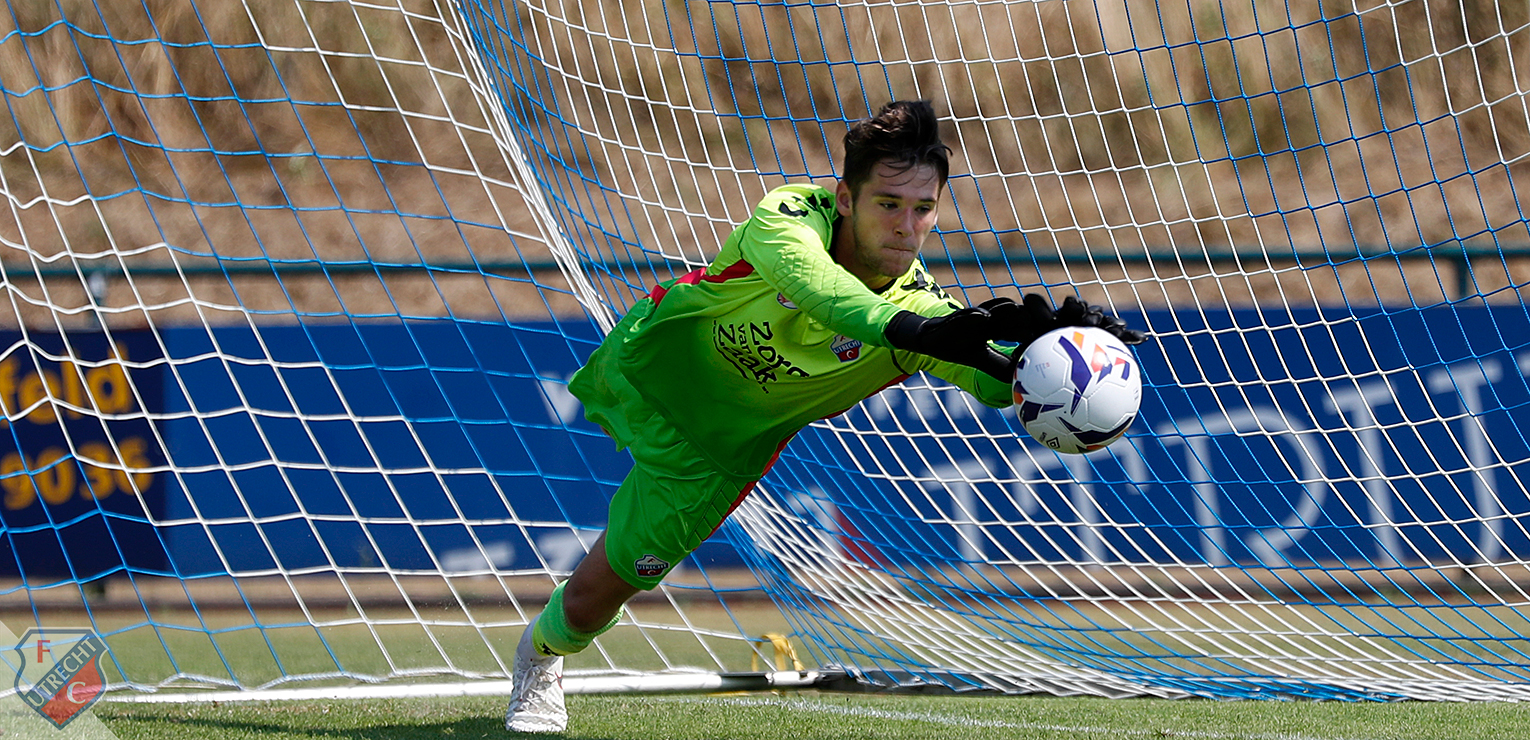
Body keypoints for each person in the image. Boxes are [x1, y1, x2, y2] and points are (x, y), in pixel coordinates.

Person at [504, 100, 1145, 733]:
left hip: (711, 452)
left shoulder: (923, 310)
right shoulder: (788, 217)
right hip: (649, 365)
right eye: (887, 204)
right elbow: (827, 295)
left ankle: (538, 656)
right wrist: (925, 332)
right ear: (844, 198)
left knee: (591, 602)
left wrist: (1046, 358)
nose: (906, 226)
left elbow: (989, 378)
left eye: (923, 208)